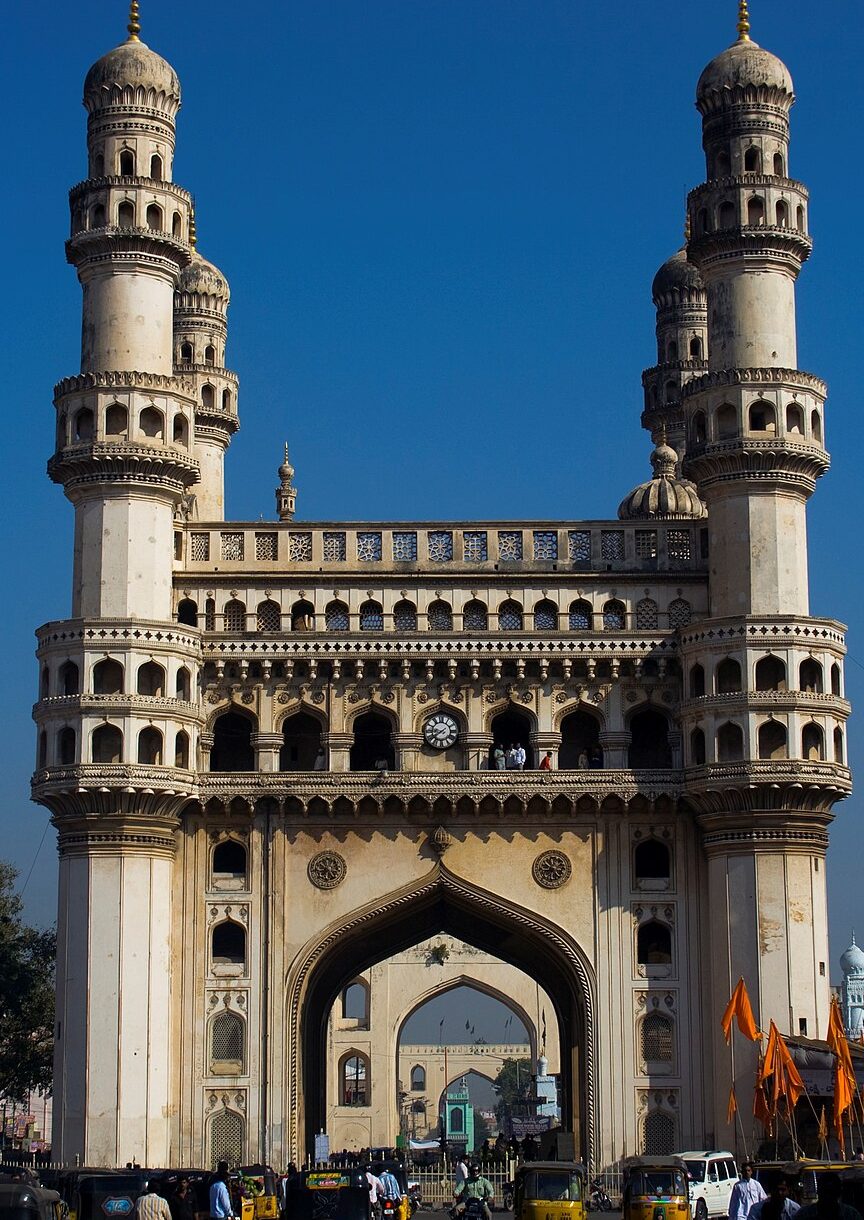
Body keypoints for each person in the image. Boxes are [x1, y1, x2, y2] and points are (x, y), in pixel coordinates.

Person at [796, 1174, 862, 1220]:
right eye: (825, 1192)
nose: (828, 1198)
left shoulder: (851, 1215)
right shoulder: (804, 1215)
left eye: (831, 1193)